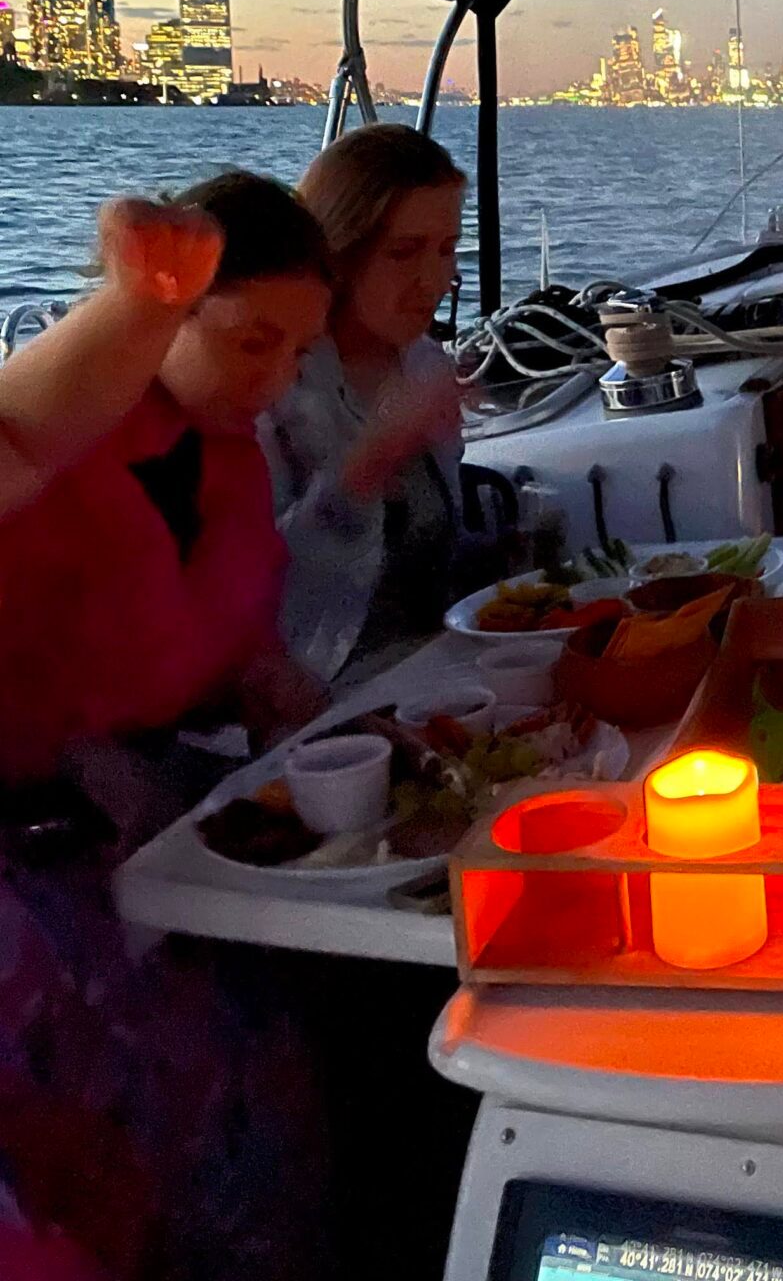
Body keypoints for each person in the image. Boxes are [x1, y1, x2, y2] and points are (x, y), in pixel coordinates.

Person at [0, 181, 336, 1279]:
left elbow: (211, 640)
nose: (276, 382)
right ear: (168, 318)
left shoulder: (226, 460)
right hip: (34, 847)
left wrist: (263, 678)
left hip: (158, 824)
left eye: (298, 354)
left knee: (280, 1042)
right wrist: (70, 751)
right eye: (252, 342)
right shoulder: (54, 454)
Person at [264, 124, 474, 677]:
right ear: (338, 254)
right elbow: (261, 603)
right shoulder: (270, 391)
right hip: (320, 696)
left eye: (447, 249)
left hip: (428, 668)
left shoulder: (424, 363)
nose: (433, 280)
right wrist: (370, 464)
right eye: (403, 253)